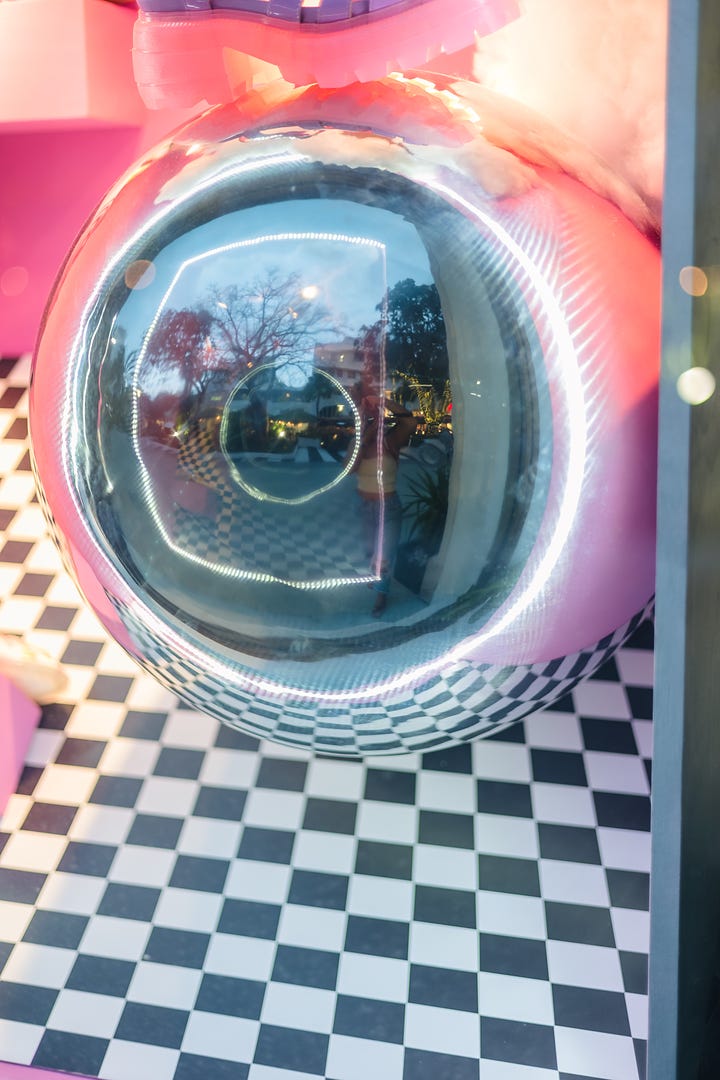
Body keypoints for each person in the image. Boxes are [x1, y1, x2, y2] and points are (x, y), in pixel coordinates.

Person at [352, 394, 417, 615]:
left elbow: (410, 422)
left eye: (376, 420)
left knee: (384, 555)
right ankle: (377, 575)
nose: (374, 424)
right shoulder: (358, 446)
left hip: (388, 508)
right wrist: (363, 432)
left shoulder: (391, 442)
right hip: (365, 508)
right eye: (370, 421)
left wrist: (382, 401)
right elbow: (348, 469)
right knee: (370, 552)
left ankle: (381, 596)